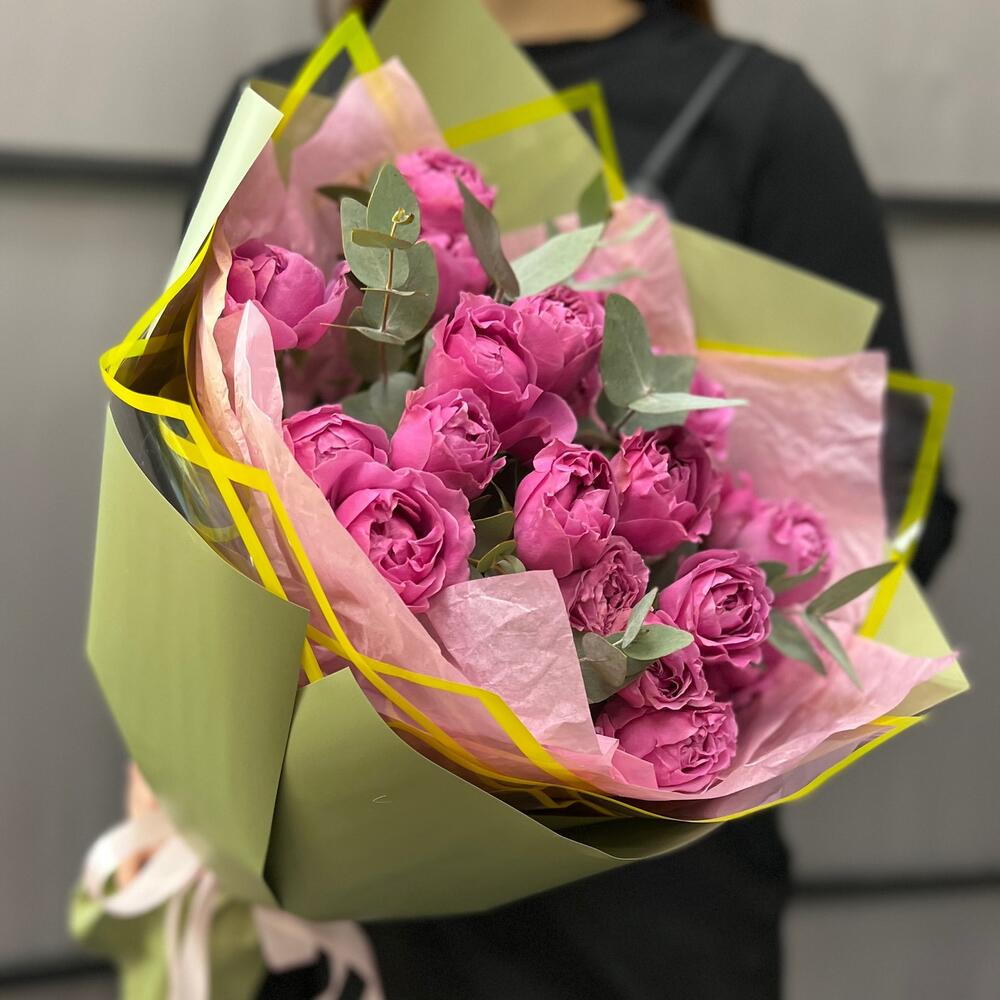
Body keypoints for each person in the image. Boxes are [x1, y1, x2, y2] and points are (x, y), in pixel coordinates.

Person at [187, 2, 958, 997]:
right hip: (335, 904)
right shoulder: (289, 114)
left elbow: (889, 505)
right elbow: (186, 490)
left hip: (642, 911)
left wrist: (619, 652)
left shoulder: (759, 116)